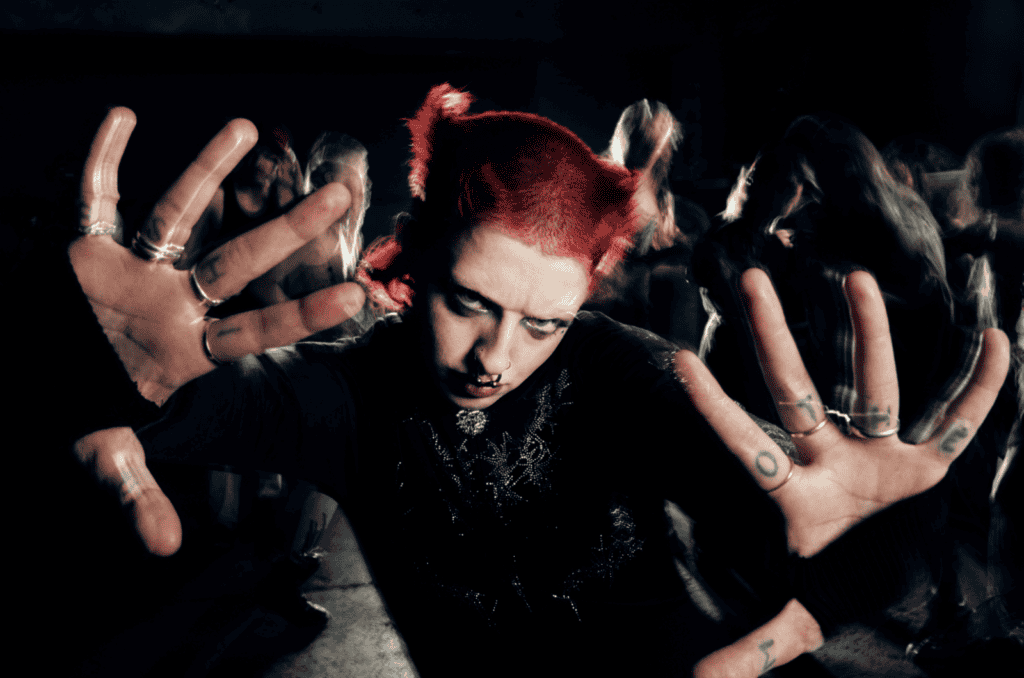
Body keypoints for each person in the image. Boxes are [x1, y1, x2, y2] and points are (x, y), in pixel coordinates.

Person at [67, 86, 1009, 676]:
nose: (495, 358)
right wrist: (94, 354)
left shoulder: (624, 372)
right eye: (469, 303)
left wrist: (799, 617)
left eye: (543, 323)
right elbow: (181, 403)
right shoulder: (354, 396)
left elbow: (852, 527)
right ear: (415, 260)